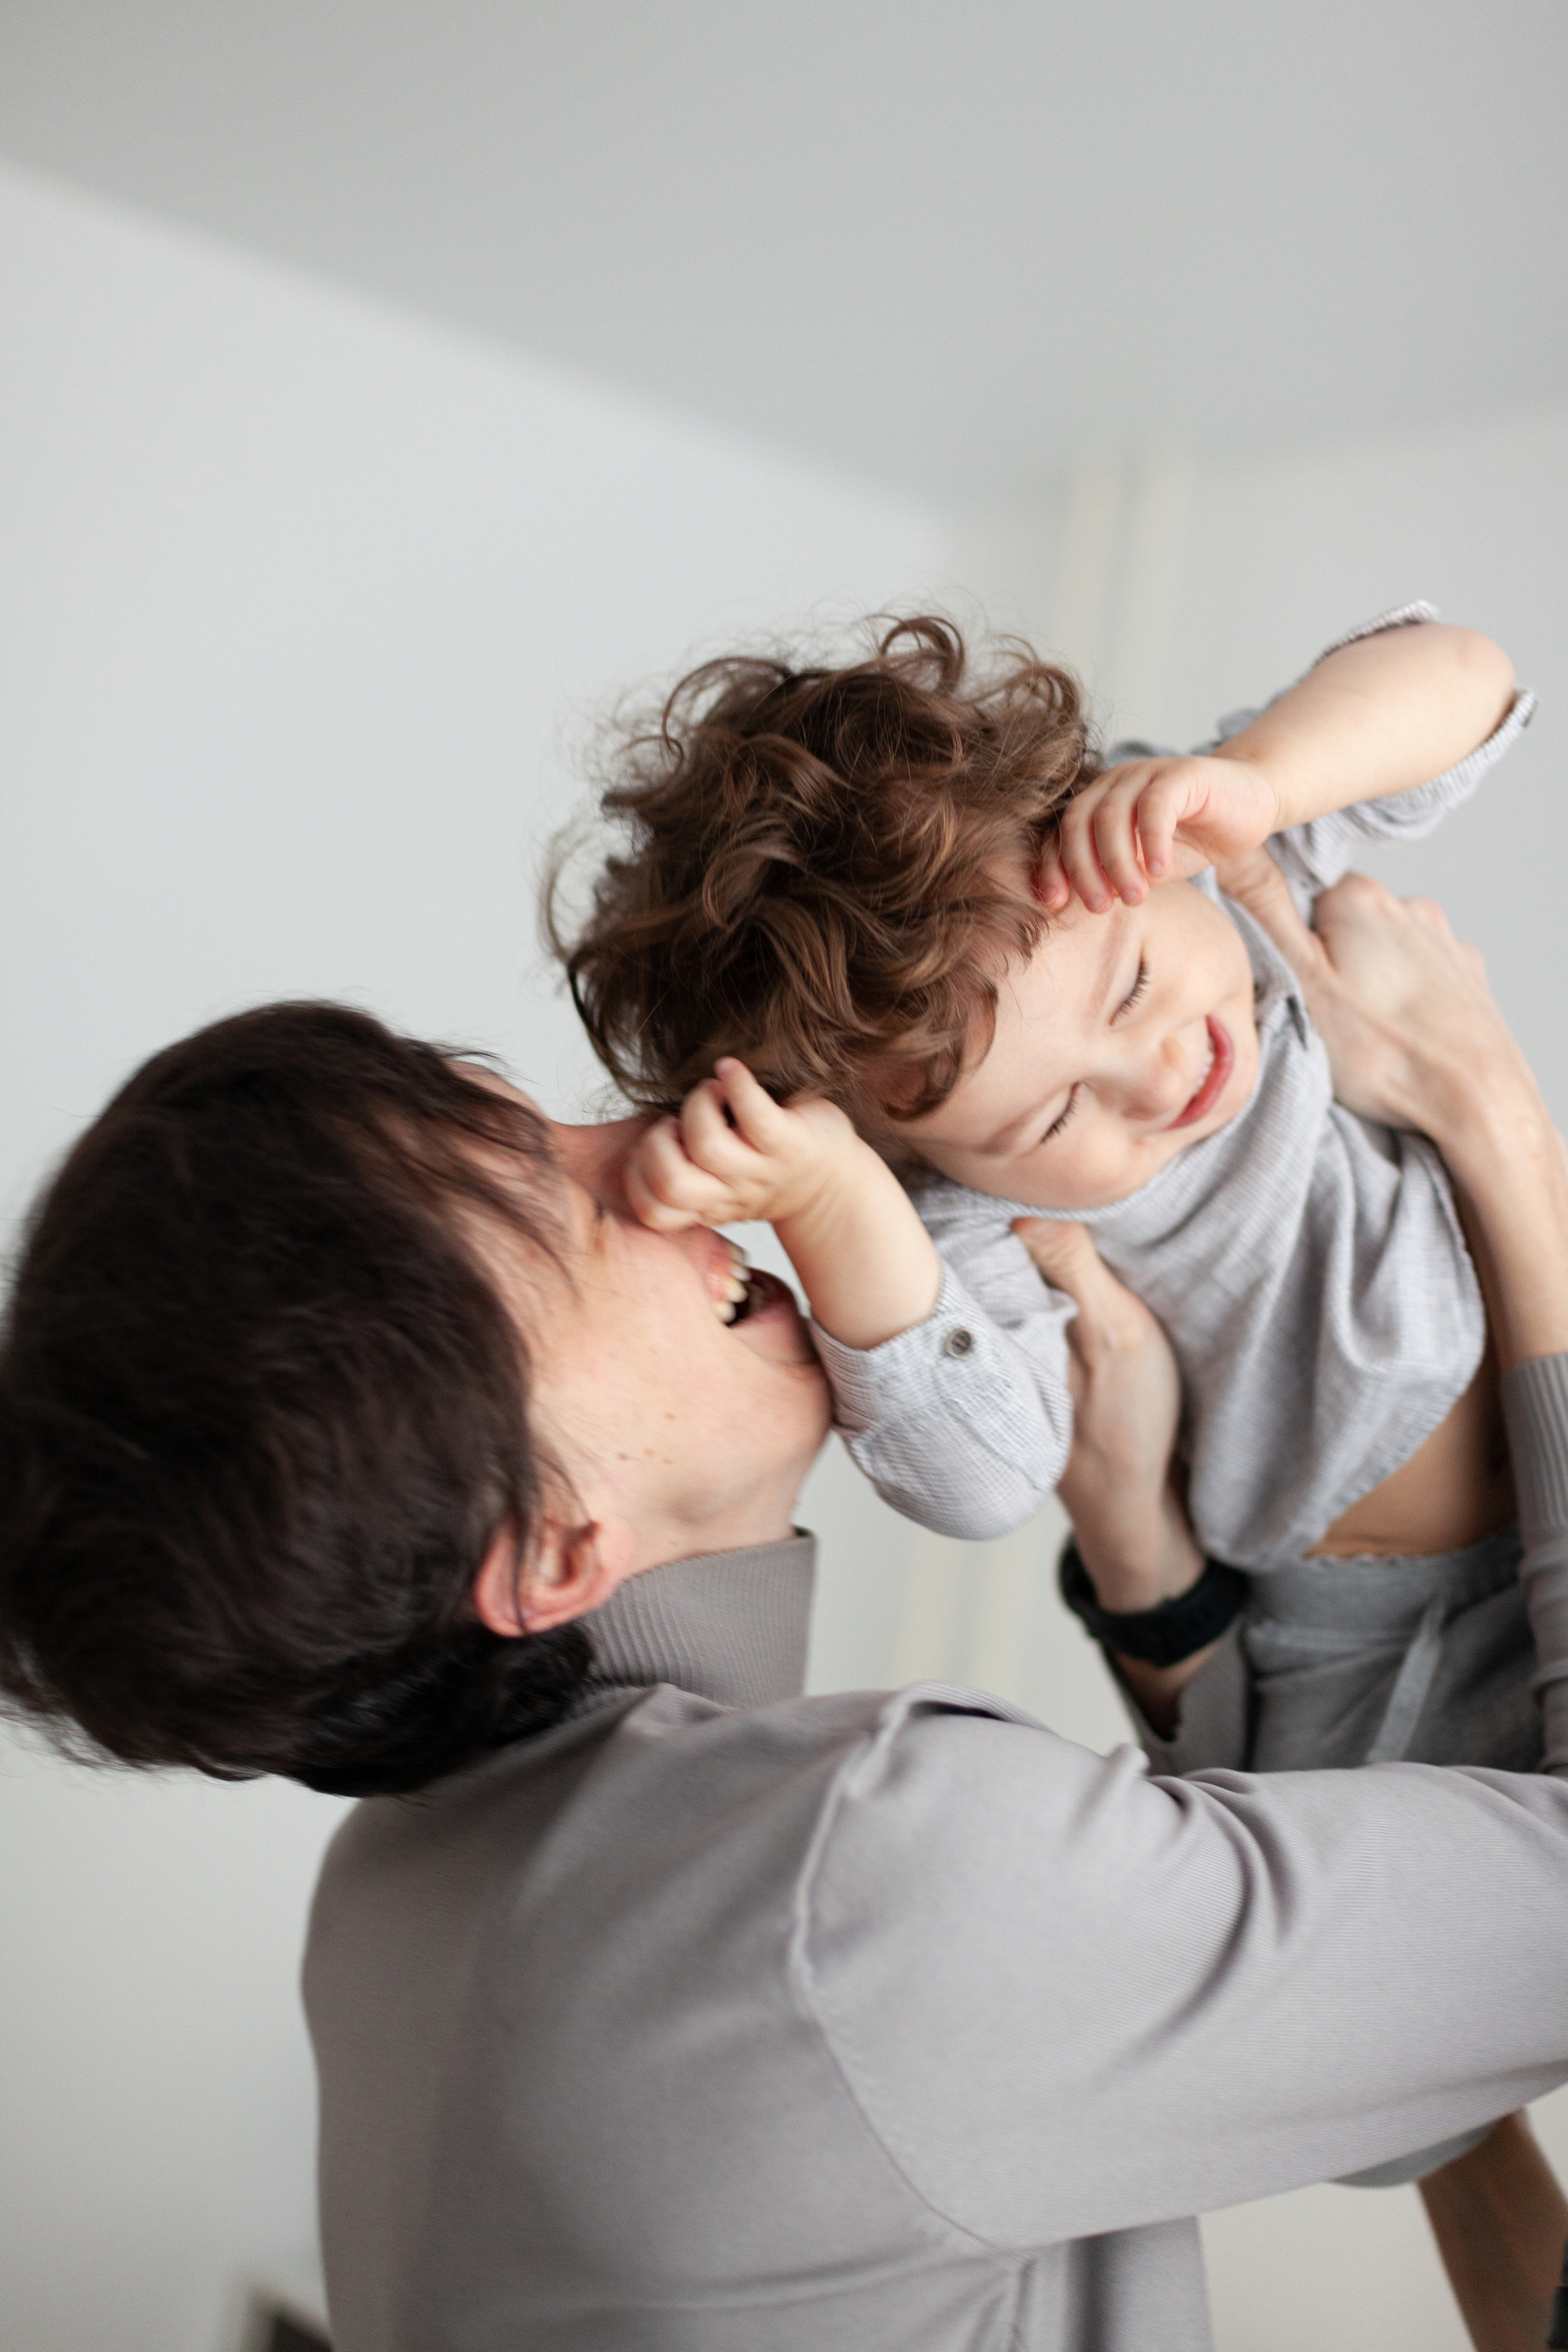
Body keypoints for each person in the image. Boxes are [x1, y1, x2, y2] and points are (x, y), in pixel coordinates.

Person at [4, 884, 1568, 2350]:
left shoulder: (394, 1903)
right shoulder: (856, 1887)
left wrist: (1148, 1572)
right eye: (558, 1214)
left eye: (544, 1120)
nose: (647, 1144)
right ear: (548, 1549)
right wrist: (1496, 1132)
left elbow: (1358, 2057)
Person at [554, 606, 1537, 1769]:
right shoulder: (975, 1216)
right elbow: (986, 1483)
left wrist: (1259, 779)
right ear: (918, 1164)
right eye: (1056, 1114)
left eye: (1131, 986)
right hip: (1372, 1637)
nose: (1161, 1070)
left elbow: (1471, 680)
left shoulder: (1188, 846)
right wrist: (838, 1212)